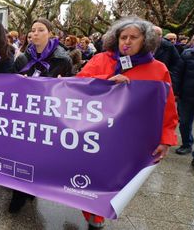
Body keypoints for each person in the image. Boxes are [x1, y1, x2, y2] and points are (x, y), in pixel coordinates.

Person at [77, 17, 178, 228]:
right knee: (93, 175)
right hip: (97, 133)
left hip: (132, 139)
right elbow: (78, 84)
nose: (127, 42)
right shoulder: (100, 60)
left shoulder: (158, 69)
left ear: (146, 40)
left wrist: (166, 139)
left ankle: (101, 209)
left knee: (117, 179)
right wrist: (105, 81)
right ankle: (95, 213)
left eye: (134, 37)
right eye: (123, 37)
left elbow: (167, 108)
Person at [10, 18, 72, 213]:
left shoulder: (63, 60)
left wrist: (64, 85)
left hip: (47, 117)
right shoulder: (22, 59)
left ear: (50, 33)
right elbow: (10, 84)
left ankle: (32, 189)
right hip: (24, 115)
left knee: (38, 156)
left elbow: (72, 92)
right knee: (20, 153)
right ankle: (18, 193)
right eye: (33, 30)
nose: (35, 33)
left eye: (41, 30)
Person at [173, 38, 194, 167]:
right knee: (184, 122)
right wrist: (175, 91)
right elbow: (177, 73)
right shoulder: (188, 53)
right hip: (187, 95)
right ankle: (186, 144)